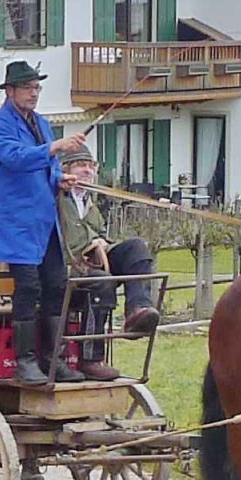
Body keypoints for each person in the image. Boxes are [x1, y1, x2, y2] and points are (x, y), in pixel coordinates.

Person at [0, 61, 87, 385]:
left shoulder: (41, 123)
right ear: (10, 91)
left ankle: (54, 360)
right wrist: (55, 147)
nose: (34, 93)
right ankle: (24, 361)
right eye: (27, 87)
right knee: (28, 287)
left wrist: (59, 178)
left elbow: (46, 167)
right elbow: (16, 158)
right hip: (14, 223)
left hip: (44, 223)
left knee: (56, 284)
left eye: (37, 87)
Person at [58, 148, 163, 382]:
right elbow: (69, 240)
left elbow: (99, 233)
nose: (87, 171)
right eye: (80, 165)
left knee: (136, 247)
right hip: (65, 267)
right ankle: (91, 359)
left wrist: (102, 242)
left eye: (91, 166)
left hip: (93, 263)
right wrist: (92, 242)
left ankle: (138, 310)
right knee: (102, 282)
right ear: (65, 170)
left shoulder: (89, 202)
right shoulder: (55, 198)